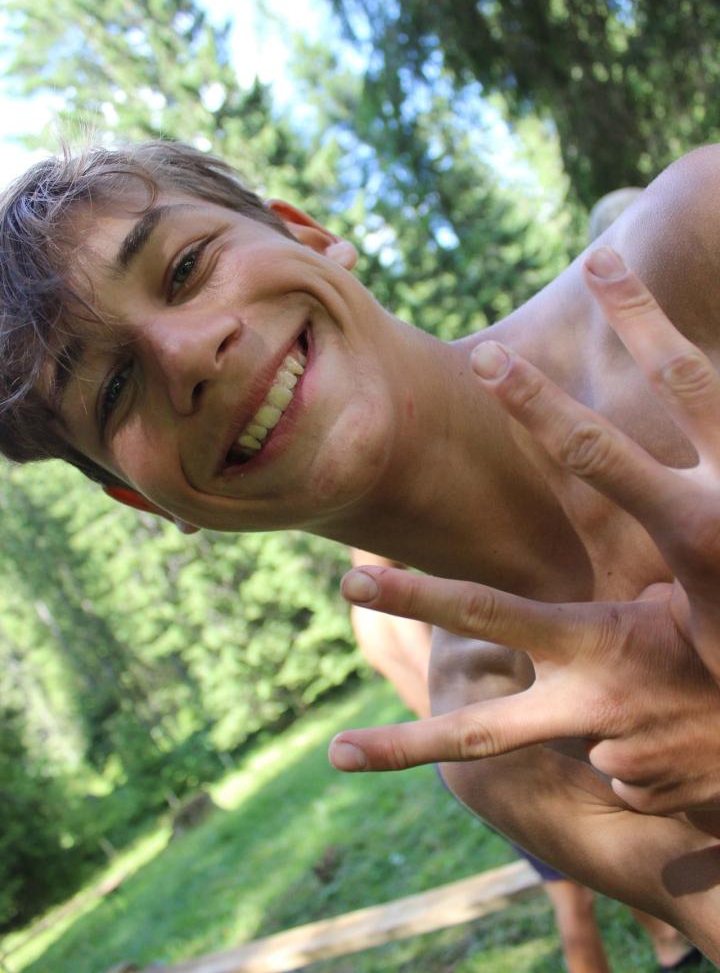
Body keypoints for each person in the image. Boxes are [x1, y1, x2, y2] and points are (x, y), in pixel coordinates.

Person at [2, 140, 720, 958]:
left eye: (187, 267)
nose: (186, 354)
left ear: (308, 237)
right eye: (114, 389)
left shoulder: (696, 249)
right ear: (145, 500)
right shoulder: (502, 747)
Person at [350, 553, 701, 973]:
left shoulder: (364, 619)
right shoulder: (400, 606)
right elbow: (448, 689)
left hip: (460, 759)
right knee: (577, 895)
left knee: (595, 873)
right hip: (495, 753)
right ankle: (666, 944)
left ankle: (668, 943)